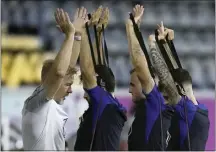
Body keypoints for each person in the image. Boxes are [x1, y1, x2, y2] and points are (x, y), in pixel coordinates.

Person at [21, 7, 87, 150]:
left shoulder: (49, 101)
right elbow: (59, 73)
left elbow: (66, 70)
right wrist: (69, 35)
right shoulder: (36, 103)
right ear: (50, 81)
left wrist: (77, 35)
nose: (70, 90)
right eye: (67, 85)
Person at [150, 22, 210, 151]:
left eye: (167, 94)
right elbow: (177, 74)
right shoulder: (200, 110)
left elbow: (165, 75)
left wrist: (152, 45)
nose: (165, 99)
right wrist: (165, 43)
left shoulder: (186, 110)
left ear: (179, 90)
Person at [74, 6, 127, 151]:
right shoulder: (109, 104)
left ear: (99, 83)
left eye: (84, 83)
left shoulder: (104, 103)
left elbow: (88, 70)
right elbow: (101, 67)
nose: (84, 88)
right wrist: (99, 32)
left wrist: (84, 30)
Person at [125, 5, 176, 151]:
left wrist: (130, 27)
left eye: (133, 85)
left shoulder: (156, 103)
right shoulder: (147, 108)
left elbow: (141, 66)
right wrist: (134, 29)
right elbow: (138, 63)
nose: (129, 90)